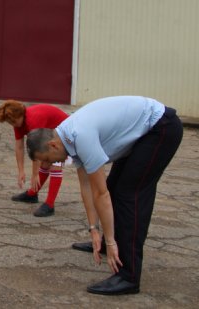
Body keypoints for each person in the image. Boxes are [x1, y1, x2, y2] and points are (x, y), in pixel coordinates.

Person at [26, 96, 183, 296]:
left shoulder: (79, 135)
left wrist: (110, 242)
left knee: (129, 196)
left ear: (53, 146)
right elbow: (87, 187)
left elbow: (101, 194)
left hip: (161, 128)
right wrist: (93, 229)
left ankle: (129, 275)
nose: (46, 167)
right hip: (148, 130)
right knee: (115, 188)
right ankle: (109, 244)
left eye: (46, 160)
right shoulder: (66, 136)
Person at [0, 100, 68, 217]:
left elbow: (37, 150)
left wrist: (35, 175)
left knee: (55, 164)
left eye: (13, 121)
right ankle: (32, 194)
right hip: (51, 131)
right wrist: (21, 171)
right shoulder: (18, 122)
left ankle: (49, 205)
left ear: (21, 114)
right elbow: (19, 147)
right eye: (10, 122)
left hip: (64, 129)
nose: (12, 124)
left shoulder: (33, 120)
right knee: (45, 164)